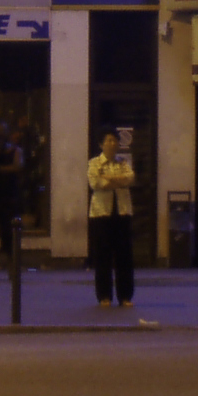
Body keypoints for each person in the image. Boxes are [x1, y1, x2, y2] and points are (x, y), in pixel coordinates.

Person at [84, 129, 136, 309]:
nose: (112, 144)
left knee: (125, 257)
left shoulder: (123, 162)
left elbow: (130, 179)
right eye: (108, 140)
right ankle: (104, 296)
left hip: (122, 213)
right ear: (101, 144)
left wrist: (109, 178)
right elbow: (95, 183)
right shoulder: (94, 163)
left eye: (115, 140)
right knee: (102, 256)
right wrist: (116, 180)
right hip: (101, 214)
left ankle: (125, 296)